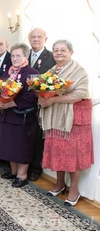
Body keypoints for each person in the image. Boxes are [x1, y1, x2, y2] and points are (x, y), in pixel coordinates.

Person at [39, 39, 93, 206]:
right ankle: (60, 184)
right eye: (56, 50)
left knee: (73, 156)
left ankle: (74, 189)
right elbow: (42, 88)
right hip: (55, 120)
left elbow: (80, 94)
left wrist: (53, 100)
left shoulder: (79, 71)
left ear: (71, 52)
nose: (59, 53)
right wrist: (42, 98)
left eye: (63, 50)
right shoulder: (51, 71)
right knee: (57, 152)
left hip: (73, 121)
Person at [0, 43, 39, 188]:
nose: (14, 58)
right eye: (12, 56)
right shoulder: (8, 72)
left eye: (18, 55)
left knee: (21, 146)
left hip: (22, 118)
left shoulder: (32, 73)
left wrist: (13, 103)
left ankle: (22, 175)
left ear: (26, 56)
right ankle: (14, 171)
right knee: (9, 145)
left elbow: (34, 96)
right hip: (6, 116)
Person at [27, 28, 57, 182]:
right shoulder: (25, 55)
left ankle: (35, 169)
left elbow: (54, 80)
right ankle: (23, 165)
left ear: (46, 39)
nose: (36, 39)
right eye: (33, 37)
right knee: (24, 137)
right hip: (23, 104)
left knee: (38, 138)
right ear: (29, 39)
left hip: (41, 104)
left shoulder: (51, 58)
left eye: (39, 37)